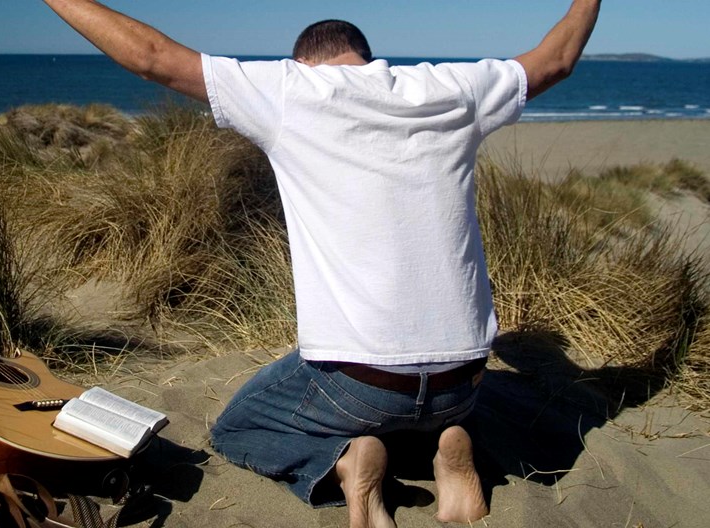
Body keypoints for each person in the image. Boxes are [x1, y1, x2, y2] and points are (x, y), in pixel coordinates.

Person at [40, 1, 601, 526]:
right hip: (464, 382)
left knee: (239, 427)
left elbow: (152, 59)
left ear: (301, 61)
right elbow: (557, 60)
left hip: (363, 386)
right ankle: (449, 447)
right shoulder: (451, 86)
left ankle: (343, 466)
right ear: (368, 58)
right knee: (431, 402)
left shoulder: (291, 90)